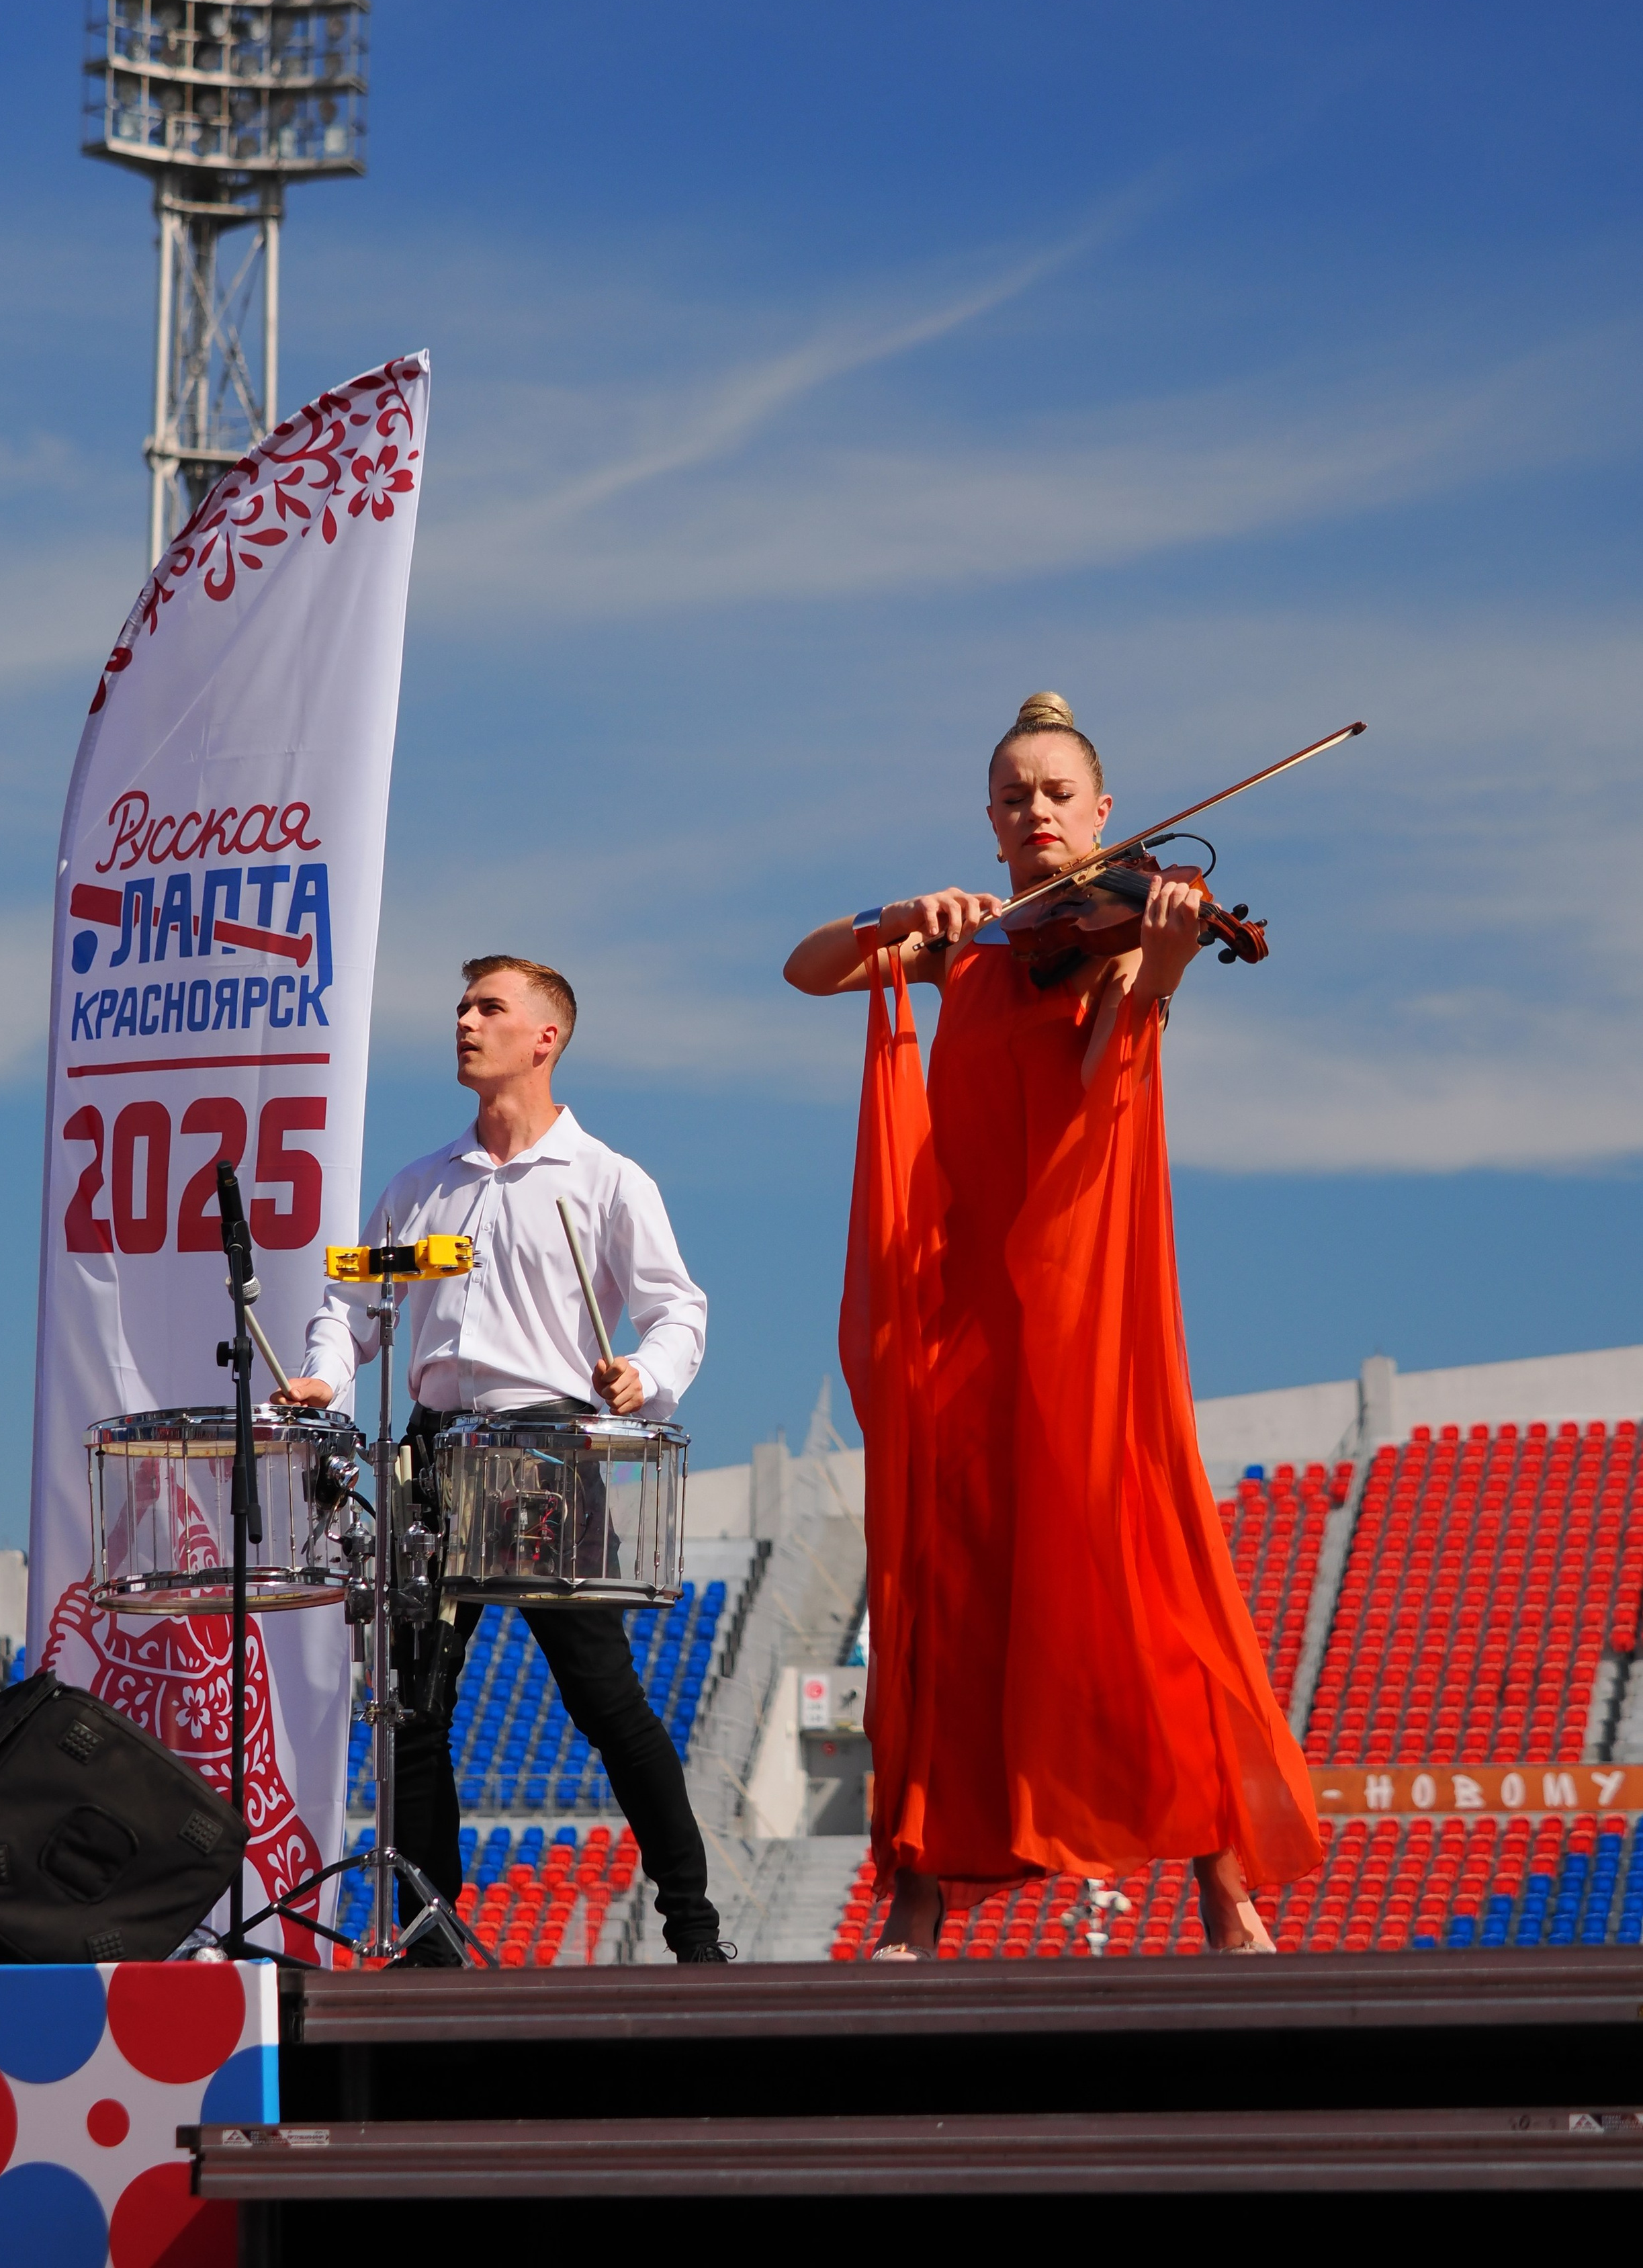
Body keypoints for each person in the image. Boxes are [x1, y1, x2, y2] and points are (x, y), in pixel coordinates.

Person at [784, 693, 1323, 1956]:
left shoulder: (1117, 941)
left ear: (1102, 814)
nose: (1035, 811)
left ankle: (1221, 1871)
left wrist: (1168, 964)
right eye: (1013, 795)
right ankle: (921, 1888)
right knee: (944, 1578)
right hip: (960, 1299)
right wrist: (897, 918)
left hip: (1073, 1287)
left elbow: (1098, 1099)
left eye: (1055, 792)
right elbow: (810, 969)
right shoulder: (966, 943)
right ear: (990, 821)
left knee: (1136, 1566)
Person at [275, 952, 731, 1965]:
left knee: (603, 1698)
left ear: (546, 1038)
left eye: (490, 1007)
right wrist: (323, 1376)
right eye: (462, 1006)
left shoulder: (608, 1178)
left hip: (547, 1450)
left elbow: (676, 1309)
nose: (465, 1021)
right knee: (417, 1704)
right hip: (432, 1452)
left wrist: (645, 1376)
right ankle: (433, 1944)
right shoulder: (418, 1186)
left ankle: (693, 1928)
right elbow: (350, 1310)